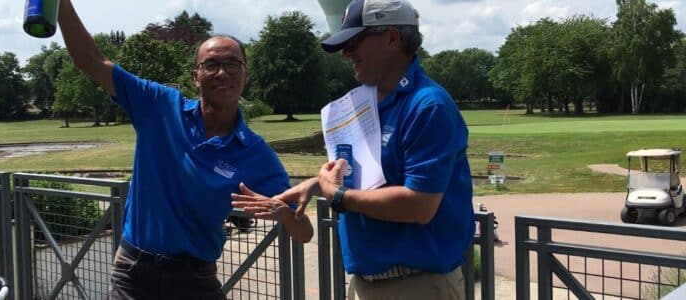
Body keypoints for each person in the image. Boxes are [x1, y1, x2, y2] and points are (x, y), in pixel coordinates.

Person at [56, 0, 313, 299]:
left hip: (195, 280)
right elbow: (91, 60)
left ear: (245, 74)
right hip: (133, 274)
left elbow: (304, 233)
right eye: (211, 65)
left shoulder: (255, 153)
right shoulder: (159, 106)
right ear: (195, 76)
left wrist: (284, 214)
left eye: (232, 64)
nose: (222, 73)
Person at [281, 0, 475, 298]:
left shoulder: (428, 105)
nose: (347, 54)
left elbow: (419, 205)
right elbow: (370, 177)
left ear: (392, 38)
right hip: (365, 284)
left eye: (355, 41)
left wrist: (340, 197)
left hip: (418, 285)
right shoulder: (364, 103)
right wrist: (316, 184)